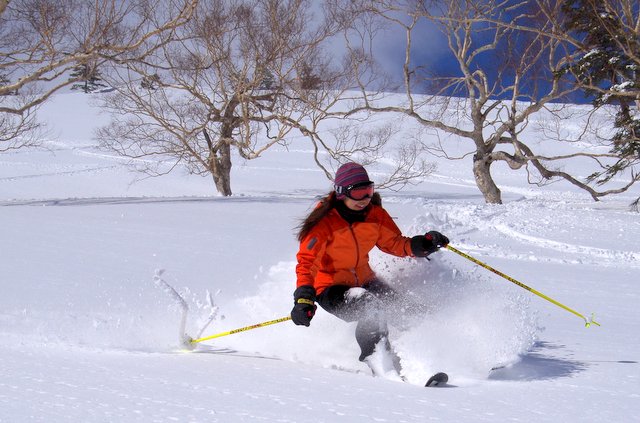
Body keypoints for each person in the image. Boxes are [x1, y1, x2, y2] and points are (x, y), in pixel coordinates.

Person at [290, 162, 449, 378]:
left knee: (408, 311)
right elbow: (307, 263)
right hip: (330, 289)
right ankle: (382, 367)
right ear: (341, 193)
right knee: (370, 307)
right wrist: (303, 298)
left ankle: (441, 359)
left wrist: (422, 245)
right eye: (358, 192)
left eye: (368, 191)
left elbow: (394, 243)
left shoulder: (375, 215)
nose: (364, 198)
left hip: (364, 281)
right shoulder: (324, 224)